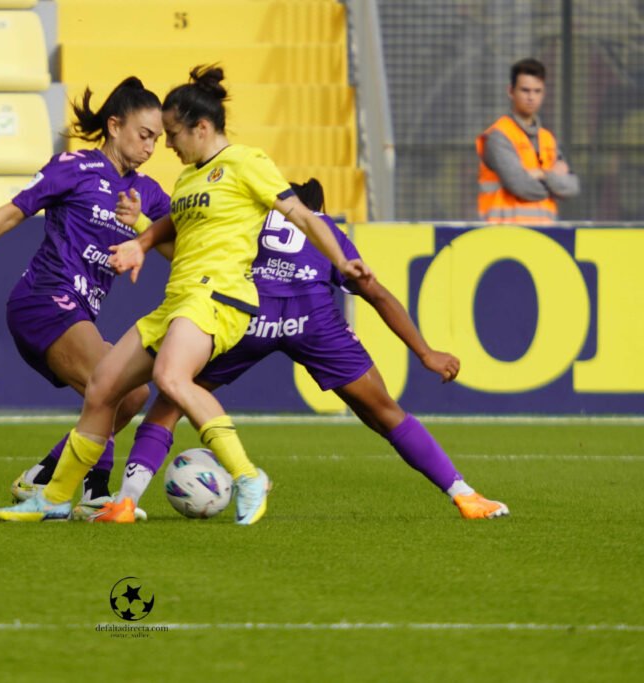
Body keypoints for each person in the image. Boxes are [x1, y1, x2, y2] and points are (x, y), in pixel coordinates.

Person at [0, 65, 370, 525]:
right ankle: (52, 498)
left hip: (219, 298)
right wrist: (139, 239)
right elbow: (170, 230)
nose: (165, 145)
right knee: (104, 387)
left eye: (171, 133)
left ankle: (247, 477)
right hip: (179, 299)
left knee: (172, 380)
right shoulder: (190, 180)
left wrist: (342, 259)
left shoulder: (248, 162)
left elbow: (304, 217)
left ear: (201, 126)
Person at [93, 179, 509, 523]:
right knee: (383, 411)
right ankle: (465, 496)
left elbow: (190, 251)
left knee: (173, 396)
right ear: (316, 207)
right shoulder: (325, 229)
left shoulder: (247, 220)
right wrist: (425, 353)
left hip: (249, 315)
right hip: (311, 319)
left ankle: (127, 502)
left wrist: (142, 226)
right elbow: (375, 293)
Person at [0, 78, 170, 517]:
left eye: (158, 139)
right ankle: (92, 490)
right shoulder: (74, 167)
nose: (151, 147)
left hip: (81, 310)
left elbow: (177, 247)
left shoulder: (146, 193)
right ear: (114, 125)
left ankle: (42, 476)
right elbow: (12, 212)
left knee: (132, 396)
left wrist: (143, 224)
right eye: (144, 135)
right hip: (43, 299)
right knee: (106, 386)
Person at [476, 58, 579, 224]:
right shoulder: (499, 136)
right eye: (525, 90)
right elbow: (521, 186)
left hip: (545, 237)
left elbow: (571, 187)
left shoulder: (547, 139)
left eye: (537, 91)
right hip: (505, 236)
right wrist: (553, 182)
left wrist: (542, 174)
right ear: (510, 91)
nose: (531, 97)